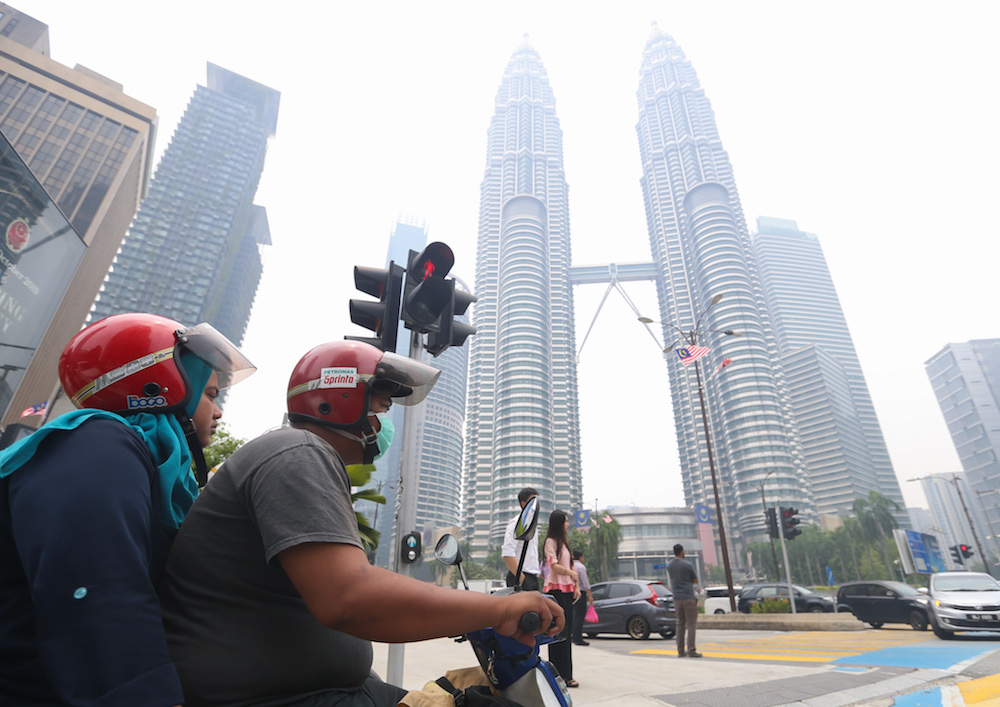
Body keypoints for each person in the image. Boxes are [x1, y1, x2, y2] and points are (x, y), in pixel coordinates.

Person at [159, 340, 564, 706]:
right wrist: (497, 609)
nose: (382, 424)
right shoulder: (297, 451)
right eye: (381, 409)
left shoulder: (304, 458)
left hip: (327, 690)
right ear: (335, 402)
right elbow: (350, 598)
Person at [0, 312, 255, 706]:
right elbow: (99, 588)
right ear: (163, 385)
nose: (218, 412)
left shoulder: (145, 463)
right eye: (209, 395)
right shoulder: (96, 443)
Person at [542, 509, 580, 688]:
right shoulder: (551, 542)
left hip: (567, 589)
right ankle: (558, 675)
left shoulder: (564, 544)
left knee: (567, 632)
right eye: (565, 521)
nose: (567, 524)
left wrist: (576, 585)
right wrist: (570, 573)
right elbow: (553, 566)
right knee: (557, 631)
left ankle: (567, 674)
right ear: (559, 523)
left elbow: (571, 566)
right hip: (555, 590)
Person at [502, 486, 541, 589]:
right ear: (524, 504)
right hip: (521, 575)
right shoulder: (517, 523)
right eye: (533, 501)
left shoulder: (532, 525)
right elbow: (507, 552)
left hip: (532, 576)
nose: (537, 505)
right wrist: (519, 576)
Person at [667, 543, 701, 658]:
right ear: (682, 551)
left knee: (680, 624)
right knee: (691, 624)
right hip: (688, 597)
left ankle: (680, 651)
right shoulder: (687, 564)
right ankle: (691, 650)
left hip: (676, 598)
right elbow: (695, 580)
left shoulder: (669, 565)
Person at [571, 549, 593, 646]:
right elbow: (585, 582)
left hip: (570, 592)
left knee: (574, 615)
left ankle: (573, 636)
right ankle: (578, 638)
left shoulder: (570, 565)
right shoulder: (581, 567)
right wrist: (590, 595)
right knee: (580, 616)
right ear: (581, 557)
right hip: (580, 592)